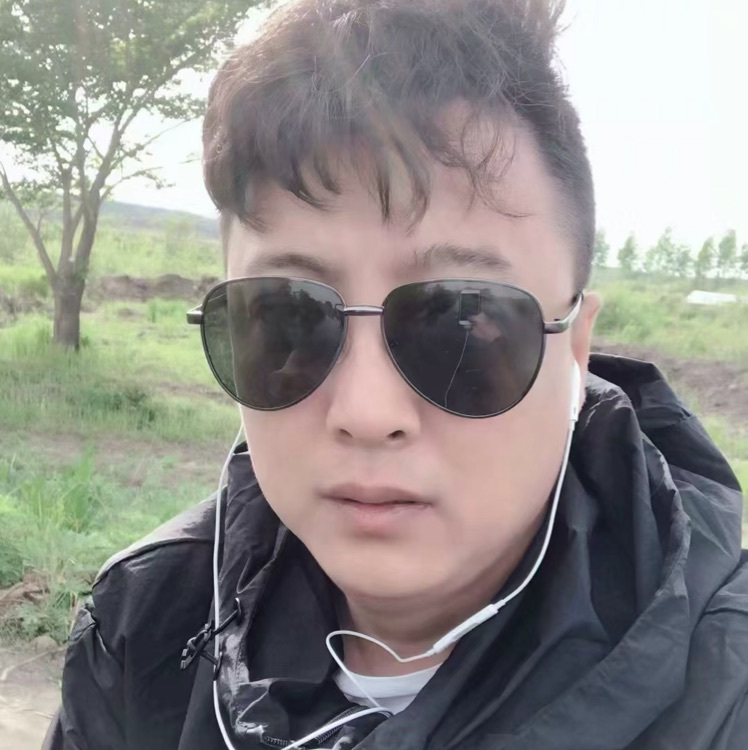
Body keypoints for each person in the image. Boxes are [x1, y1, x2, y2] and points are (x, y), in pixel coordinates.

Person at [45, 1, 747, 748]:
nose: (367, 411)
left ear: (574, 348)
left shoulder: (721, 695)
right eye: (285, 317)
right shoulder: (148, 625)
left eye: (464, 325)